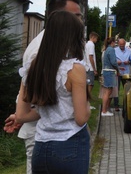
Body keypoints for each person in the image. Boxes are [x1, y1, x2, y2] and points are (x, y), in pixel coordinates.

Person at [3, 0, 82, 174]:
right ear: (58, 16)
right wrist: (23, 114)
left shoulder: (58, 44)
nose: (81, 21)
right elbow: (37, 92)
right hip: (43, 130)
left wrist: (21, 115)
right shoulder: (42, 49)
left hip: (50, 129)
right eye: (76, 16)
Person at [15, 10, 91, 174]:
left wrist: (46, 112)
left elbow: (21, 115)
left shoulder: (31, 67)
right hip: (71, 143)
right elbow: (81, 118)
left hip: (41, 147)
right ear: (72, 37)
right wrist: (87, 102)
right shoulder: (74, 69)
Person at [114, 38, 131, 110]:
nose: (122, 46)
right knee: (116, 89)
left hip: (126, 73)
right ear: (118, 44)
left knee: (127, 90)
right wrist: (117, 62)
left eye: (123, 45)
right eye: (120, 45)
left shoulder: (128, 51)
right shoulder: (115, 50)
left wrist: (128, 62)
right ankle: (116, 105)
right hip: (117, 72)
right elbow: (112, 61)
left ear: (125, 44)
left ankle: (126, 105)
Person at [101, 37, 118, 116]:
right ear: (112, 42)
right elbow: (113, 62)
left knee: (107, 91)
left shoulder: (107, 49)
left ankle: (104, 110)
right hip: (110, 71)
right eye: (115, 42)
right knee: (108, 92)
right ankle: (104, 111)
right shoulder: (111, 49)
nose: (115, 44)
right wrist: (117, 69)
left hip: (106, 71)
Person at [85, 32, 99, 98]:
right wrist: (94, 69)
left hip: (86, 67)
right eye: (96, 38)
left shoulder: (86, 44)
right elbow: (91, 57)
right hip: (90, 67)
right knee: (90, 84)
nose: (96, 40)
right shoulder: (91, 45)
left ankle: (86, 97)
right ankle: (87, 98)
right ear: (93, 37)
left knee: (88, 83)